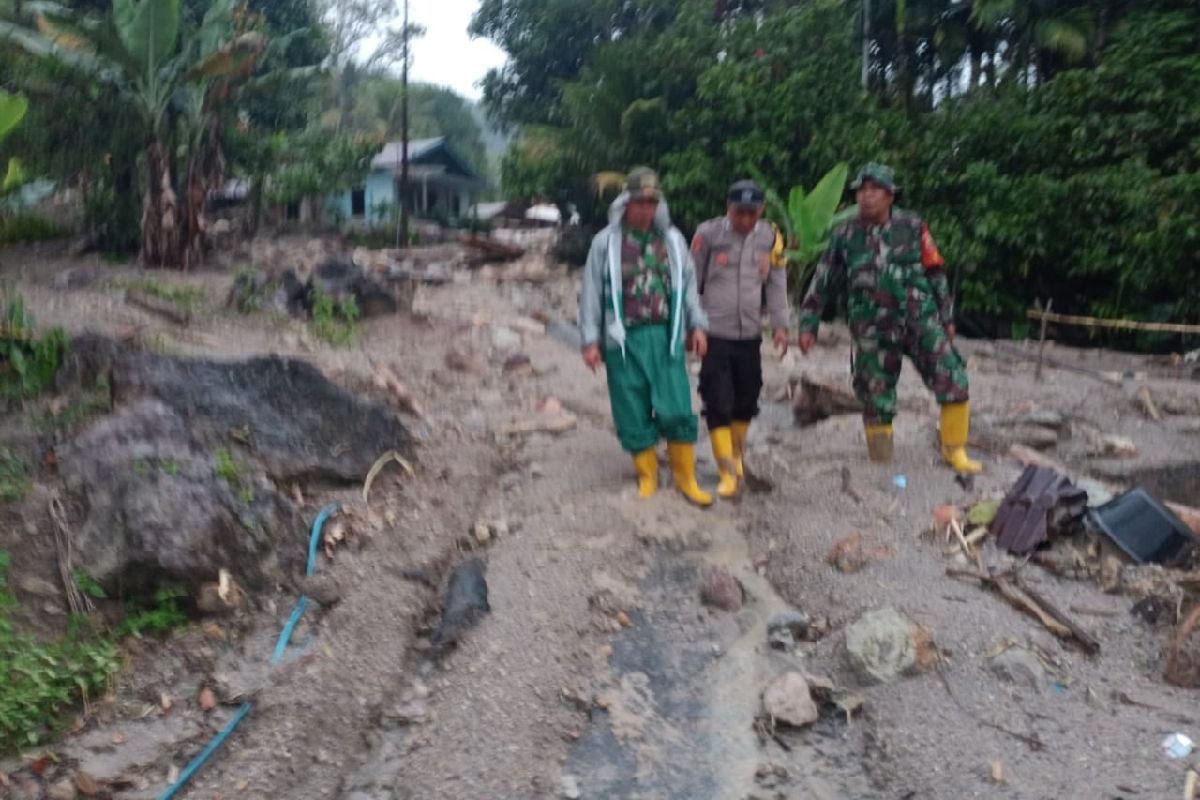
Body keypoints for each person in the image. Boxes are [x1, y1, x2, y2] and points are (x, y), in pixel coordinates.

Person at [797, 162, 981, 474]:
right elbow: (822, 281)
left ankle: (955, 452)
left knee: (953, 379)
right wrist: (808, 324)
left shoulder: (912, 225)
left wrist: (947, 316)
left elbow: (935, 271)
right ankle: (881, 461)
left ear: (890, 196)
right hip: (871, 326)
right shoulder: (845, 235)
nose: (867, 196)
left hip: (919, 319)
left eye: (875, 190)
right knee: (875, 394)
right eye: (862, 190)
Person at [578, 167, 714, 506]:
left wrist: (697, 325)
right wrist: (590, 341)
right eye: (639, 202)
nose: (646, 209)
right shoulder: (604, 243)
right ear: (626, 203)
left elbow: (689, 289)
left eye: (652, 202)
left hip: (665, 337)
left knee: (678, 405)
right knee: (630, 406)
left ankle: (686, 478)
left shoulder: (673, 240)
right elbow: (591, 294)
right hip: (620, 341)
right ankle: (648, 476)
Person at [691, 180, 789, 497]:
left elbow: (776, 283)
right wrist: (692, 327)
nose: (745, 220)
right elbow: (691, 283)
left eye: (751, 212)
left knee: (746, 399)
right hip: (714, 332)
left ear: (761, 210)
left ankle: (737, 456)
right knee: (717, 399)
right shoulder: (708, 235)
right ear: (727, 207)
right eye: (739, 213)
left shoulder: (770, 237)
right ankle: (727, 473)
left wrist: (780, 325)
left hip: (749, 333)